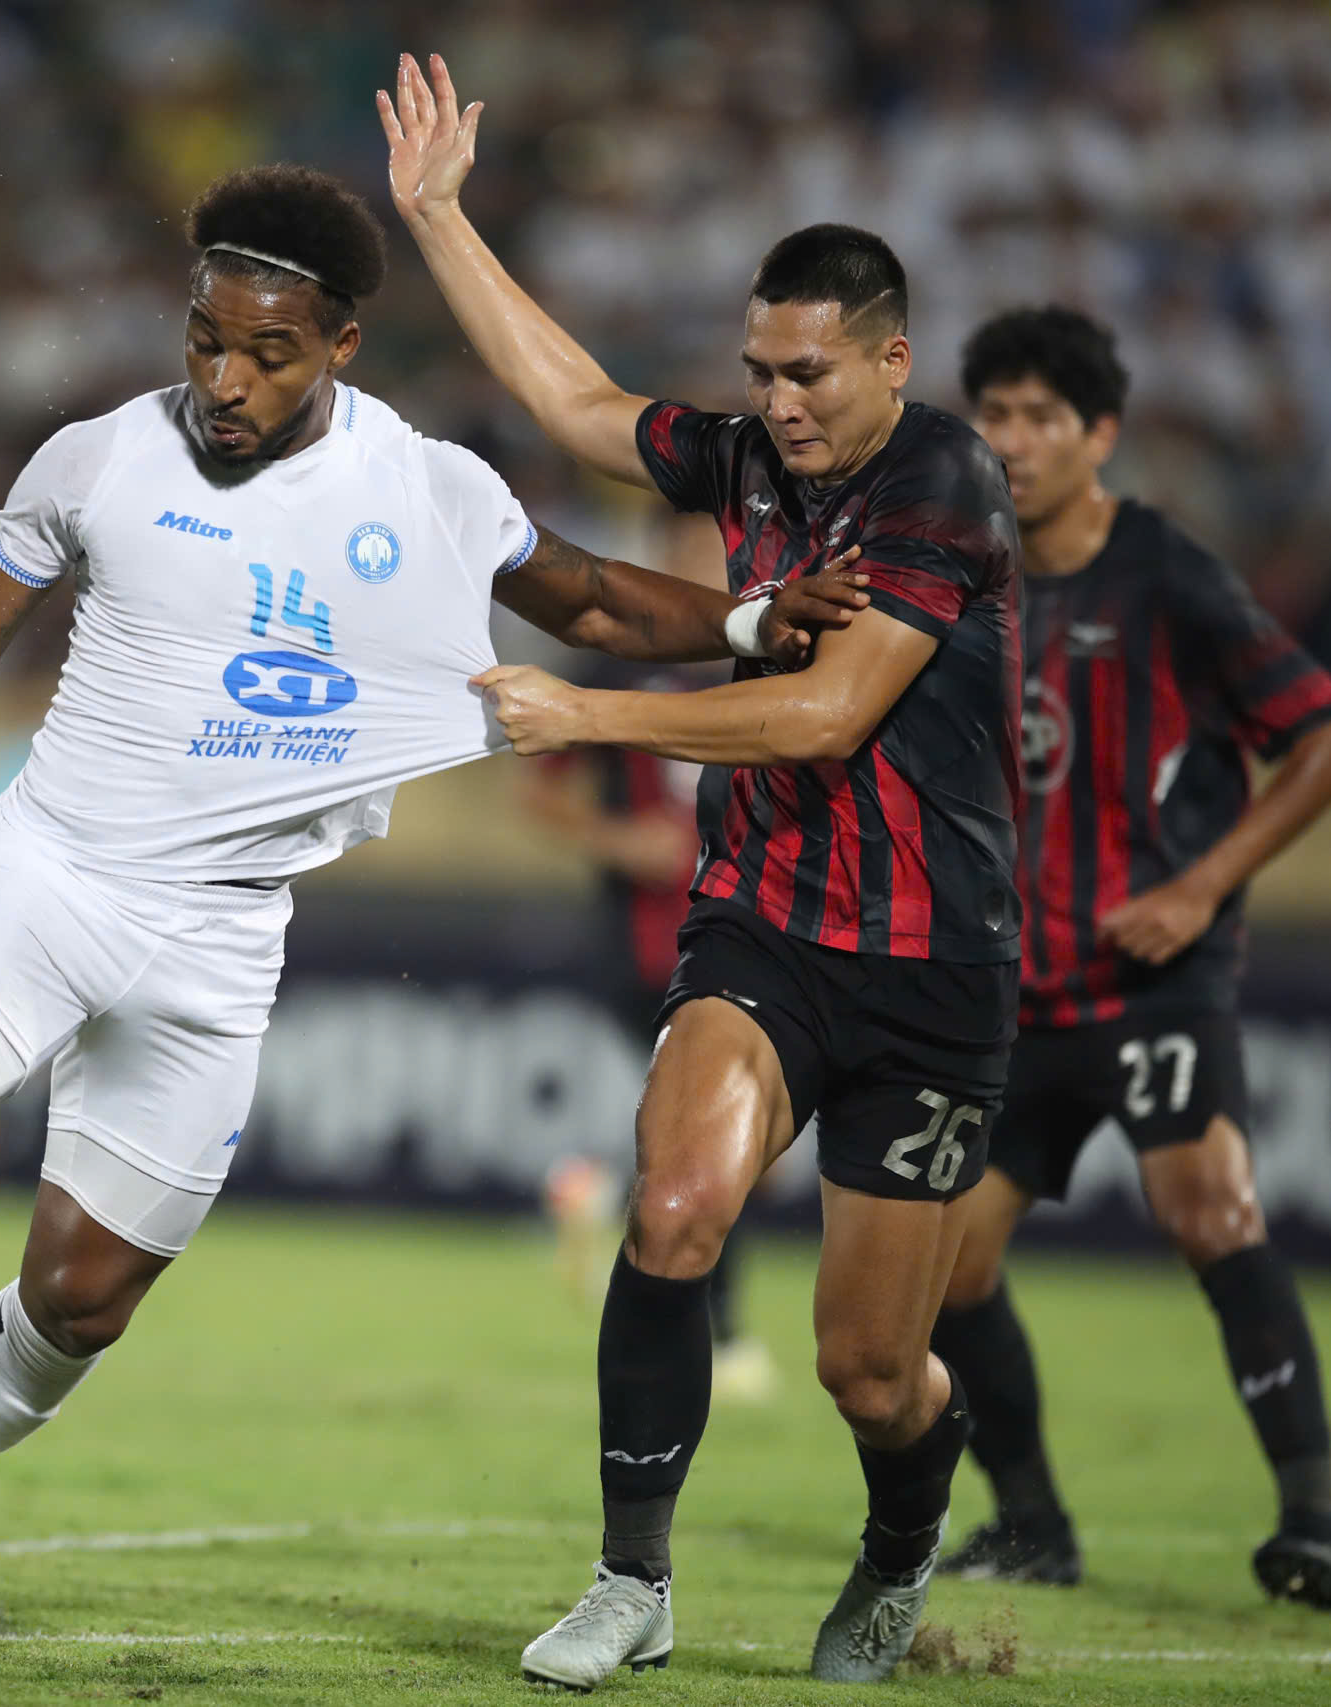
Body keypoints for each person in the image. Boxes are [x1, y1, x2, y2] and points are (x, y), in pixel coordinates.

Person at [0, 164, 868, 1650]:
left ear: (340, 349)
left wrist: (748, 622)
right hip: (51, 867)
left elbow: (583, 599)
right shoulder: (97, 462)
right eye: (204, 340)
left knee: (82, 1297)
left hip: (221, 935)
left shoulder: (427, 489)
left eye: (266, 353)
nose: (224, 380)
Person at [384, 55, 1023, 1686]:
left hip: (933, 963)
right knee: (671, 1212)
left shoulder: (942, 485)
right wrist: (442, 219)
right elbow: (582, 405)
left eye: (808, 373)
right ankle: (630, 1581)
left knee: (870, 1372)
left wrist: (588, 707)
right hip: (764, 932)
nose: (779, 401)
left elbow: (827, 708)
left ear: (888, 359)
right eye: (760, 372)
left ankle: (898, 1543)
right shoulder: (747, 460)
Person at [930, 307, 1331, 1610]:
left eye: (1036, 419)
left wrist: (1198, 884)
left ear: (1098, 434)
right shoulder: (966, 575)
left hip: (1150, 977)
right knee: (948, 1262)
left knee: (1212, 1211)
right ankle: (1032, 1523)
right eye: (992, 417)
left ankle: (1310, 1526)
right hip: (1014, 990)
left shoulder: (1168, 573)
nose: (1008, 442)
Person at [520, 650, 778, 1407]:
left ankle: (600, 1191)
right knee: (723, 1138)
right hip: (654, 947)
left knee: (747, 1144)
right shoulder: (616, 667)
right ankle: (722, 1338)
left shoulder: (782, 656)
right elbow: (540, 791)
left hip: (759, 936)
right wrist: (617, 838)